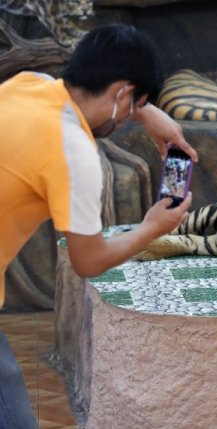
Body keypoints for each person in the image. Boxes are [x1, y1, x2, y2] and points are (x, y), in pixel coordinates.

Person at [0, 24, 198, 428]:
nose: (126, 120)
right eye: (132, 104)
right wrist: (149, 228)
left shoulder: (27, 84)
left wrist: (144, 110)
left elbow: (109, 93)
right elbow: (87, 261)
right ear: (122, 92)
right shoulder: (75, 152)